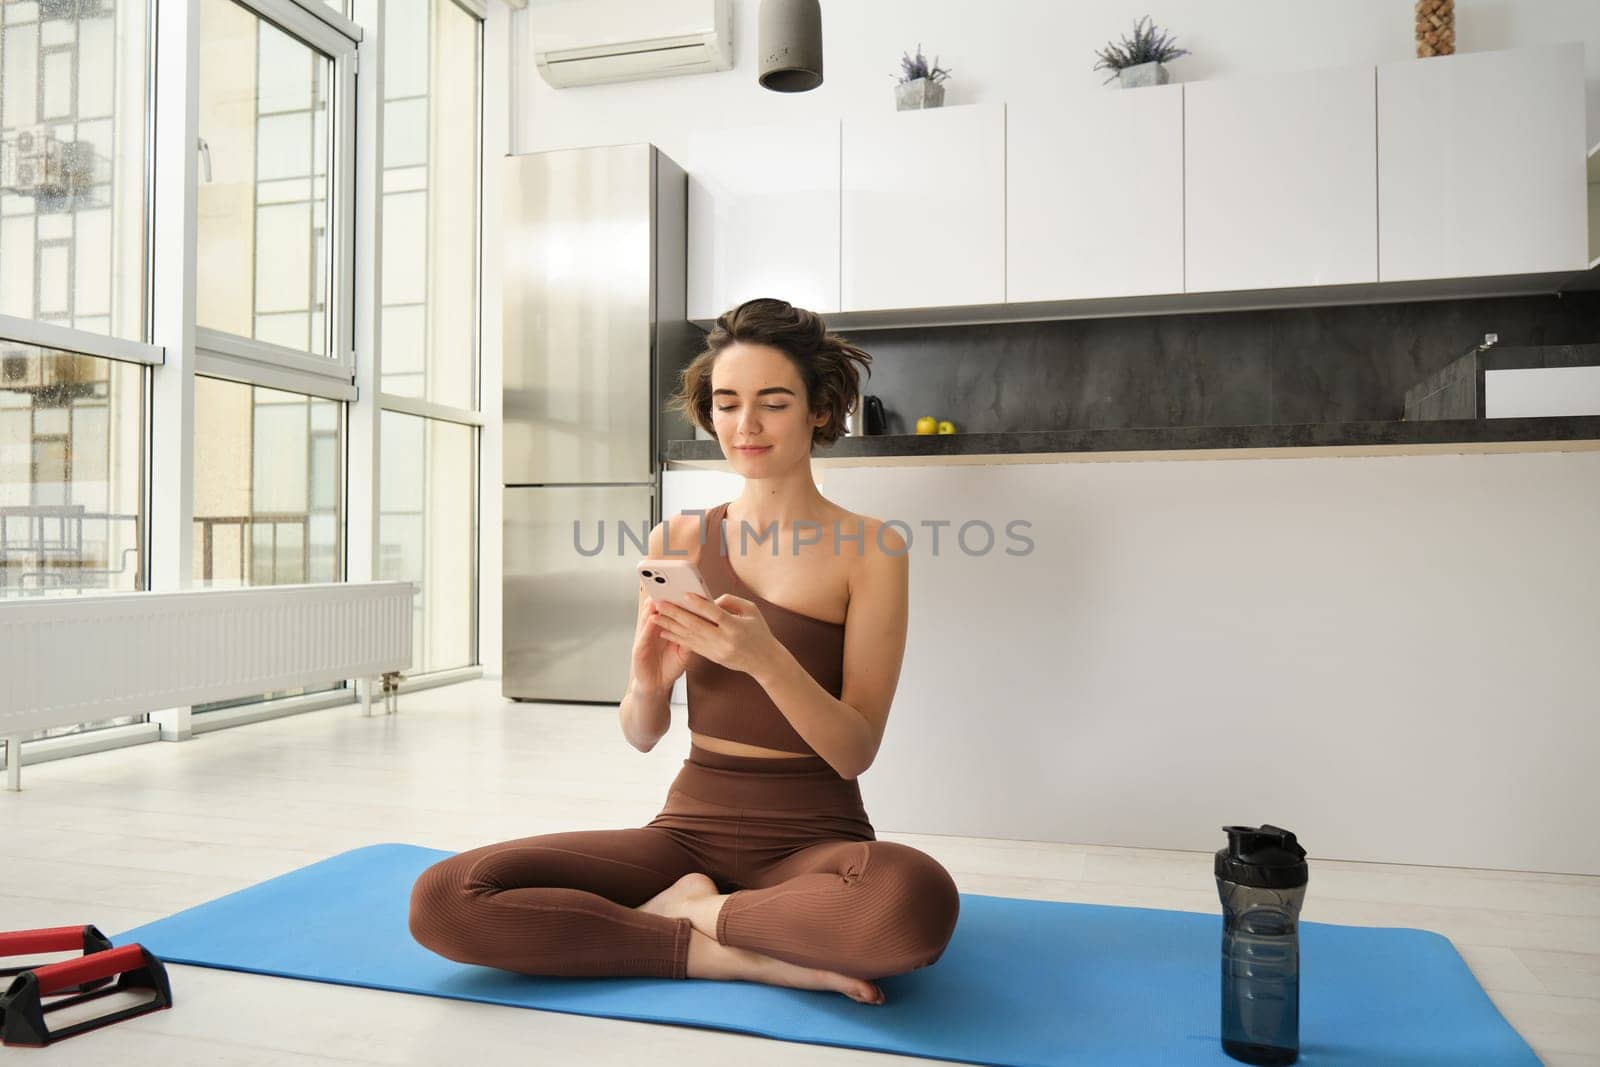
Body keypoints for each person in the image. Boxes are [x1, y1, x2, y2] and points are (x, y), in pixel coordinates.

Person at [409, 298, 960, 1006]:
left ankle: (694, 913)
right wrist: (644, 684)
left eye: (773, 402)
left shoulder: (874, 550)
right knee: (446, 897)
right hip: (687, 831)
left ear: (820, 409)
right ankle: (733, 953)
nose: (745, 426)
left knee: (910, 904)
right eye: (727, 404)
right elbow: (642, 736)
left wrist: (764, 657)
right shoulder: (677, 540)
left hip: (815, 839)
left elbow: (854, 750)